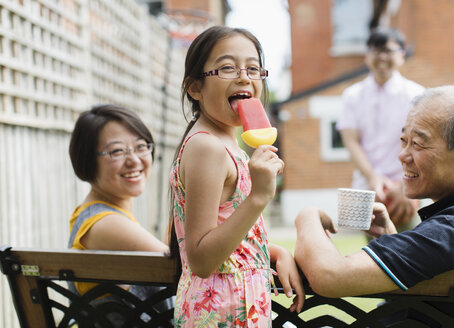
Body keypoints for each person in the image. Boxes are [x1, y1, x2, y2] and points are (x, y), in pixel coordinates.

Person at [295, 86, 454, 324]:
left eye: (418, 144)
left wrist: (307, 217)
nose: (402, 155)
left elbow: (330, 276)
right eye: (403, 140)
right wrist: (393, 241)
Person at [168, 25, 305, 327]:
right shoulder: (207, 147)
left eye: (253, 69)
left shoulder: (223, 142)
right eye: (227, 68)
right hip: (221, 311)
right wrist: (258, 196)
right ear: (195, 88)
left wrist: (273, 250)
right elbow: (202, 259)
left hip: (232, 305)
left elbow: (226, 232)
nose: (244, 76)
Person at [68, 104, 171, 325]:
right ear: (88, 159)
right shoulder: (106, 224)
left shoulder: (96, 217)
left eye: (141, 147)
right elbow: (186, 267)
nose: (134, 160)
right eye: (116, 151)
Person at [336, 27, 425, 229]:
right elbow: (351, 141)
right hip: (365, 187)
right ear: (367, 56)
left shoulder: (417, 94)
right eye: (376, 50)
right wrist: (372, 177)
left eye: (389, 50)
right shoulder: (352, 95)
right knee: (370, 253)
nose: (382, 56)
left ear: (402, 55)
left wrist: (406, 184)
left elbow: (423, 144)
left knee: (408, 249)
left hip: (406, 188)